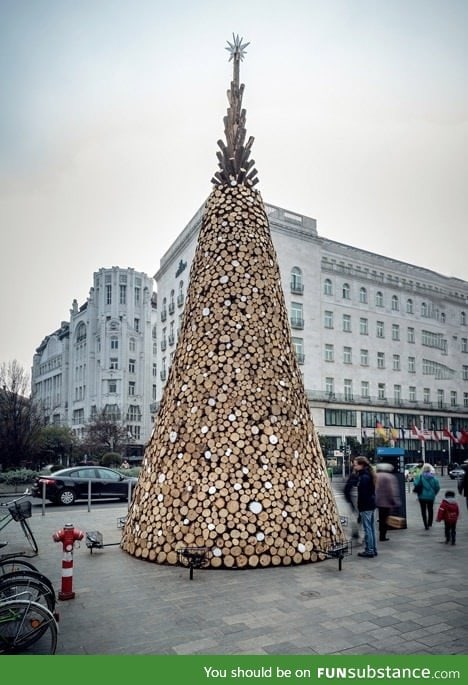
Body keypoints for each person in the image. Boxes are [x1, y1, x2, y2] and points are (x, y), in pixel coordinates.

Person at [353, 456, 377, 558]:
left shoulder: (364, 477)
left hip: (366, 506)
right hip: (370, 504)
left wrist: (360, 507)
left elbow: (363, 494)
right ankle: (373, 549)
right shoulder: (368, 474)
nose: (354, 466)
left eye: (355, 464)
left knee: (367, 529)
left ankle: (370, 550)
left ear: (361, 465)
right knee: (370, 528)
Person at [375, 462, 400, 542]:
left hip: (378, 501)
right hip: (386, 502)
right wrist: (393, 501)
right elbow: (391, 491)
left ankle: (380, 534)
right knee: (385, 519)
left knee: (381, 519)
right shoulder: (389, 477)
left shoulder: (376, 476)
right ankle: (383, 536)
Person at [413, 463, 440, 530]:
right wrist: (434, 493)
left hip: (422, 496)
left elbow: (415, 483)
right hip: (431, 497)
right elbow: (437, 487)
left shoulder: (420, 477)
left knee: (423, 510)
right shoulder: (433, 478)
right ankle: (429, 523)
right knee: (430, 509)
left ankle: (425, 525)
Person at [343, 458, 362, 542]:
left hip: (355, 499)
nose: (353, 466)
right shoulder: (358, 475)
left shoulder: (355, 476)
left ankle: (357, 534)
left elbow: (347, 488)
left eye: (354, 465)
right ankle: (357, 533)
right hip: (356, 500)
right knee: (357, 517)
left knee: (355, 517)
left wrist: (348, 499)